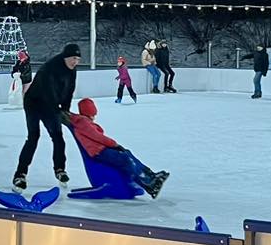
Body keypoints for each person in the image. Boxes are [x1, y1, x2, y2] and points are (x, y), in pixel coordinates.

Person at [65, 98, 169, 199]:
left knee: (127, 154)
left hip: (101, 150)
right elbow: (98, 137)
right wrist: (114, 145)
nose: (95, 116)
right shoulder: (83, 122)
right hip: (99, 151)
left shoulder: (82, 121)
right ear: (90, 112)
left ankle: (150, 175)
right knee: (126, 160)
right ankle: (148, 183)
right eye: (93, 113)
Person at [13, 42, 80, 191]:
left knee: (58, 137)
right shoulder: (51, 67)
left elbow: (69, 90)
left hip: (51, 105)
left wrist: (66, 109)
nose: (75, 62)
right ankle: (20, 174)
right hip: (34, 103)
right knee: (33, 137)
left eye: (78, 59)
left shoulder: (72, 70)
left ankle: (60, 169)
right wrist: (57, 110)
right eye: (73, 58)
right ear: (66, 57)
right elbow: (48, 91)